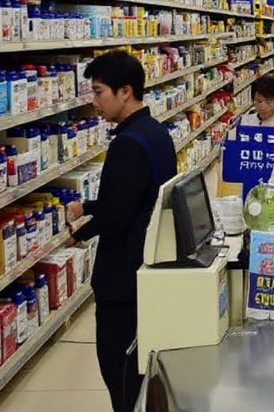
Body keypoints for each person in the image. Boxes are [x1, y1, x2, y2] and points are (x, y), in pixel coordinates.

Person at [65, 50, 177, 412]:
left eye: (99, 92)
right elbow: (135, 197)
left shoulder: (126, 145)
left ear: (124, 91)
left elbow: (115, 219)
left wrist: (75, 235)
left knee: (120, 371)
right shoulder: (155, 132)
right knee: (141, 371)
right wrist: (90, 206)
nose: (94, 102)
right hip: (147, 264)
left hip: (123, 278)